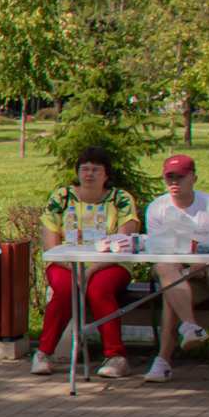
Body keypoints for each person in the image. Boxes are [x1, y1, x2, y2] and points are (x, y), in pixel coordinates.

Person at [33, 146, 142, 377]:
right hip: (66, 263)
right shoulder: (61, 198)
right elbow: (51, 246)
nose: (89, 174)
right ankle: (43, 353)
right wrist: (74, 268)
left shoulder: (121, 199)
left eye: (96, 169)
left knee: (99, 289)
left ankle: (116, 357)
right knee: (66, 288)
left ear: (107, 175)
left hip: (111, 264)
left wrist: (92, 269)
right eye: (84, 169)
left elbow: (123, 243)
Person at [140, 153, 209, 383]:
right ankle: (189, 329)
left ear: (193, 178)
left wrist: (196, 267)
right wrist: (184, 269)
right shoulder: (157, 208)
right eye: (169, 177)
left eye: (180, 177)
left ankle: (164, 360)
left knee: (171, 291)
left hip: (208, 273)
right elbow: (158, 250)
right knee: (167, 270)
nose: (174, 182)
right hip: (170, 268)